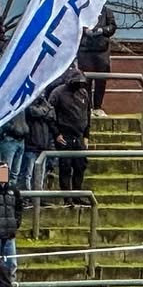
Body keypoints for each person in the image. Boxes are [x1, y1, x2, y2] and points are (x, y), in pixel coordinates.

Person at [49, 71, 91, 205]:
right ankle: (67, 197)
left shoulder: (83, 93)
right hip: (64, 135)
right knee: (65, 166)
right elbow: (50, 115)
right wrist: (56, 134)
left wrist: (86, 135)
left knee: (80, 166)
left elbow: (87, 114)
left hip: (79, 136)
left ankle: (77, 195)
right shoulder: (57, 93)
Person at [77, 5, 116, 117]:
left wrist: (102, 30)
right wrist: (85, 30)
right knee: (85, 81)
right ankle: (88, 108)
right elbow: (74, 25)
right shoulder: (83, 10)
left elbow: (112, 27)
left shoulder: (106, 10)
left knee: (101, 80)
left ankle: (98, 107)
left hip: (101, 51)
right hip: (85, 50)